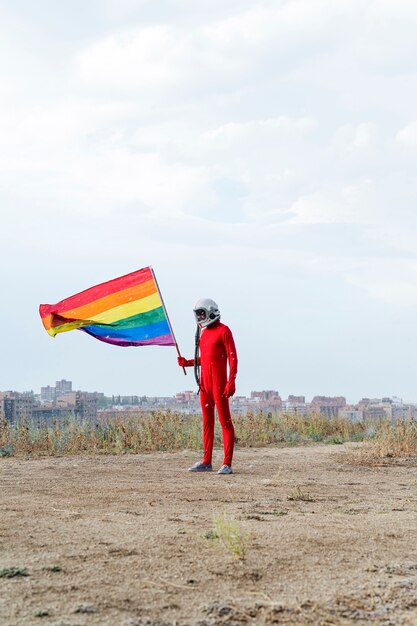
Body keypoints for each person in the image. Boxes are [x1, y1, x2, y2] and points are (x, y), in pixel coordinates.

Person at [178, 298, 238, 475]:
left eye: (202, 313)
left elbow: (233, 358)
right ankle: (206, 461)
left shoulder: (224, 331)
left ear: (211, 311)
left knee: (225, 422)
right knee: (207, 422)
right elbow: (205, 359)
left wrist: (231, 381)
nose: (200, 317)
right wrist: (188, 362)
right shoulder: (203, 333)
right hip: (204, 386)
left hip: (219, 386)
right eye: (198, 314)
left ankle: (227, 463)